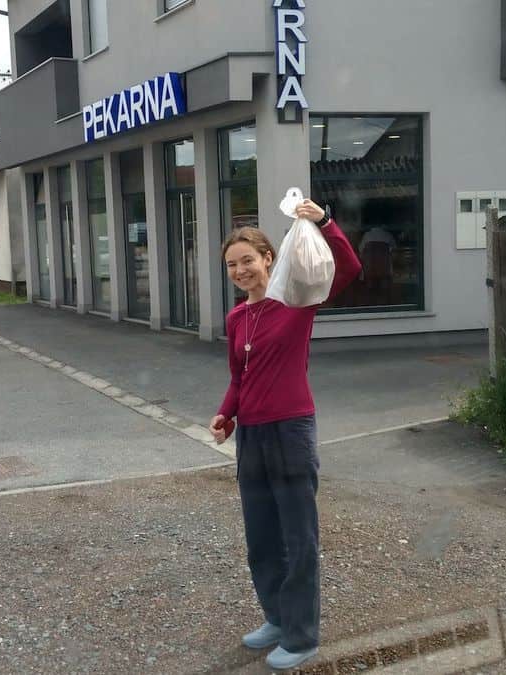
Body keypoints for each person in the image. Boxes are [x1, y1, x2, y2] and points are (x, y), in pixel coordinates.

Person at [209, 199, 361, 671]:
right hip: (251, 435)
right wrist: (225, 415)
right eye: (232, 265)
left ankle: (302, 636)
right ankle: (276, 618)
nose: (240, 270)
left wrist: (327, 221)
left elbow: (349, 270)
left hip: (292, 430)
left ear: (268, 259)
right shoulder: (237, 319)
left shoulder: (296, 301)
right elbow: (240, 377)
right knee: (261, 537)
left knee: (299, 538)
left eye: (247, 260)